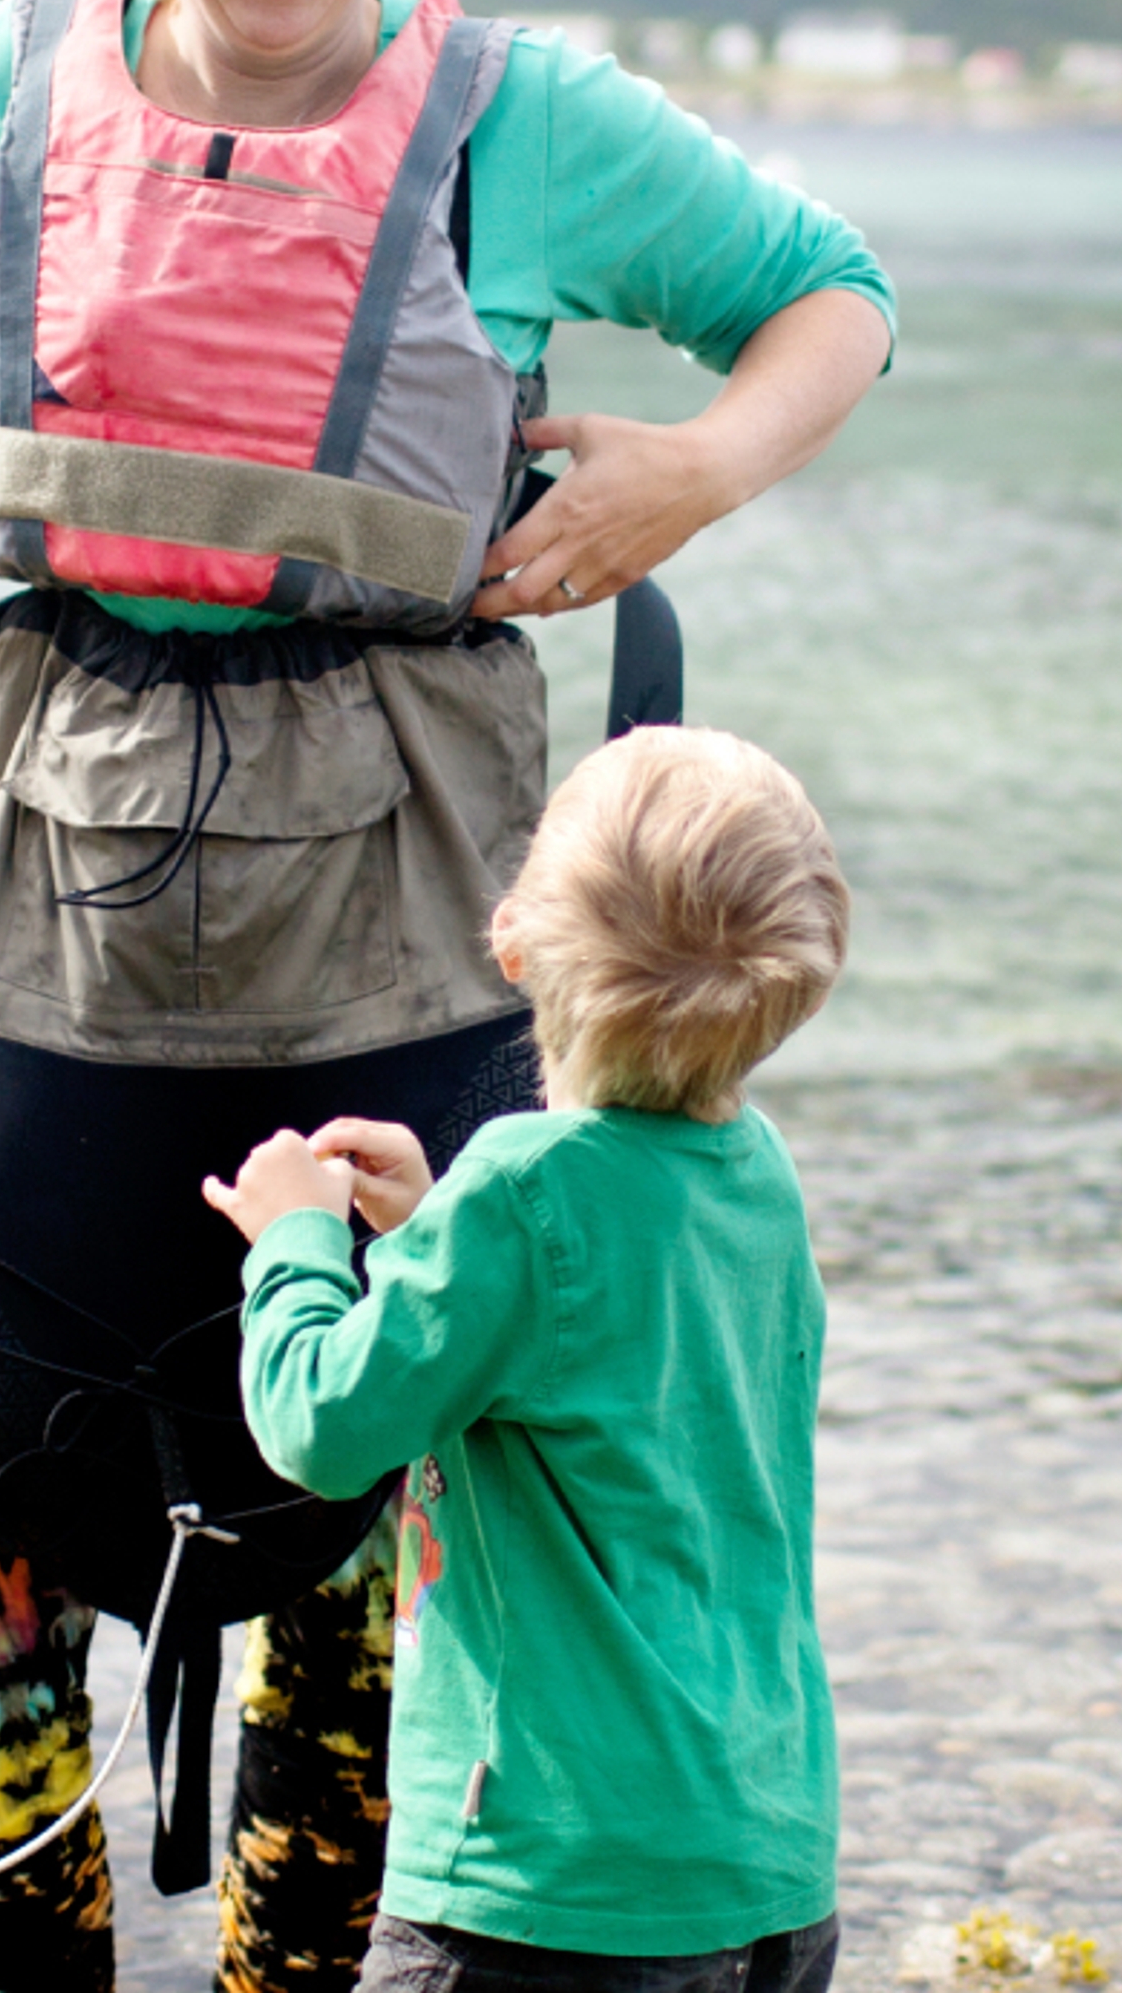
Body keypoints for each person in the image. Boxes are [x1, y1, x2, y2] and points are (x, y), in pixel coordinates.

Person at [0, 0, 891, 1993]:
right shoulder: (0, 84)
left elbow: (828, 290)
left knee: (382, 1538)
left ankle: (317, 1958)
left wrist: (689, 471)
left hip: (406, 938)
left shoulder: (523, 122)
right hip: (38, 927)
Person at [204, 726, 847, 1993]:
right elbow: (608, 1357)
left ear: (511, 945)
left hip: (548, 1893)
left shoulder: (520, 1188)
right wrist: (431, 1227)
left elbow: (324, 1426)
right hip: (764, 1861)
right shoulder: (757, 1176)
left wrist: (293, 1241)